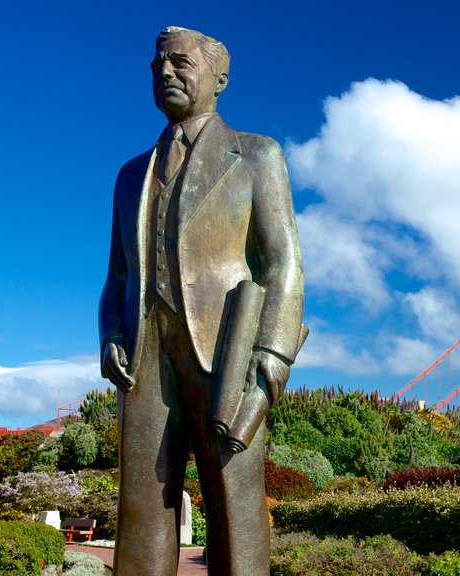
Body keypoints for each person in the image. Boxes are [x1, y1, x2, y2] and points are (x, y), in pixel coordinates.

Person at [98, 26, 304, 576]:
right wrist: (110, 334)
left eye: (181, 63)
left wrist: (273, 354)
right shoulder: (129, 176)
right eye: (157, 65)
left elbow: (281, 261)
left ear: (220, 78)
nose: (164, 72)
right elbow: (117, 275)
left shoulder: (257, 155)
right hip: (143, 356)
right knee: (141, 505)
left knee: (234, 503)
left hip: (228, 349)